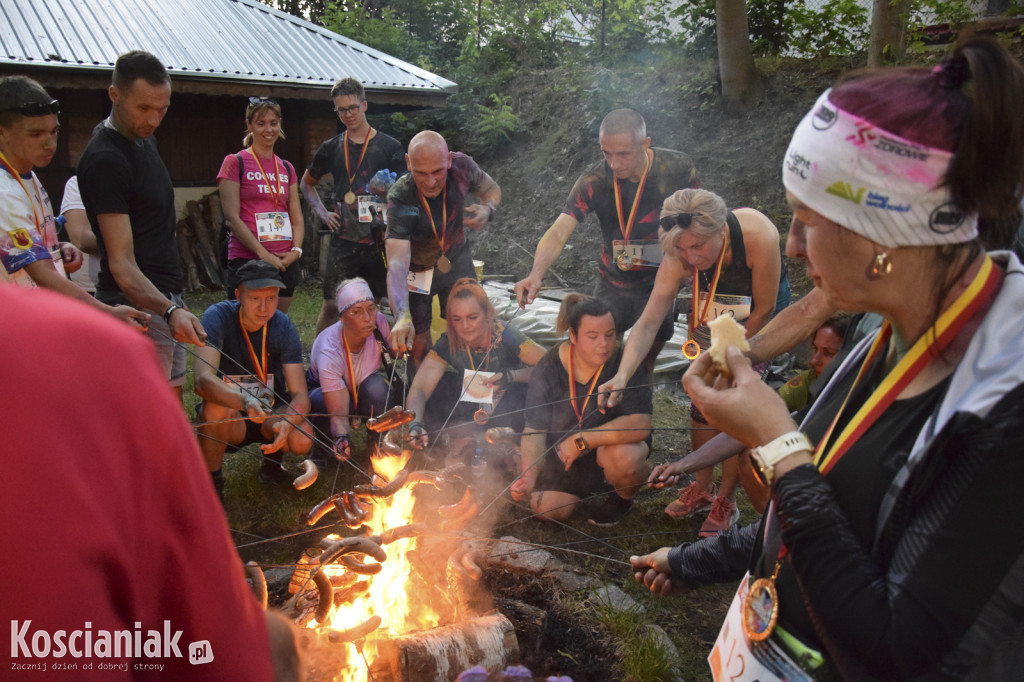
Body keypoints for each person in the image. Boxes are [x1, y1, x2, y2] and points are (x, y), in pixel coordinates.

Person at [631, 37, 1024, 680]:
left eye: (807, 221)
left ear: (884, 237)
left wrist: (777, 443)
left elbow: (896, 652)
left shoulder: (1006, 402)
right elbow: (833, 497)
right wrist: (690, 561)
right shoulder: (893, 332)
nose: (790, 247)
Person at [0, 284, 300, 680]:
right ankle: (214, 481)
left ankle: (270, 467)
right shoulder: (84, 344)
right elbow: (209, 631)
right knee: (276, 644)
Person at [602, 188, 789, 536]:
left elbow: (764, 309)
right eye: (682, 251)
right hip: (712, 312)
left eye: (697, 248)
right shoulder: (681, 250)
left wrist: (727, 358)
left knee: (731, 404)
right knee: (700, 402)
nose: (690, 258)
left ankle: (726, 501)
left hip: (757, 313)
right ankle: (703, 489)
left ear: (719, 232)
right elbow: (649, 320)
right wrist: (622, 374)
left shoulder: (757, 236)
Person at [514, 109, 699, 370]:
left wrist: (689, 267)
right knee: (597, 354)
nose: (614, 163)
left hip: (661, 280)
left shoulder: (677, 169)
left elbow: (699, 220)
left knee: (648, 356)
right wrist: (536, 274)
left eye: (623, 153)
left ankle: (637, 395)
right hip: (613, 280)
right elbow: (558, 231)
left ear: (645, 144)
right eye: (606, 153)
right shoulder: (595, 180)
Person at [77, 50, 206, 398]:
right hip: (135, 307)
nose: (153, 119)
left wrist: (174, 301)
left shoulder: (144, 139)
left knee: (170, 411)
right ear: (114, 95)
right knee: (139, 420)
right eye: (143, 108)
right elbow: (121, 262)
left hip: (164, 297)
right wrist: (169, 308)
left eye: (162, 109)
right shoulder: (106, 159)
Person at [0, 76, 146, 325]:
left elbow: (33, 237)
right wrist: (104, 311)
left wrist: (56, 248)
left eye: (54, 131)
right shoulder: (4, 191)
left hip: (37, 317)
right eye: (35, 134)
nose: (50, 144)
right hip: (16, 325)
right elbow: (42, 273)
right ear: (3, 133)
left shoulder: (27, 173)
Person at [511, 294, 652, 526]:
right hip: (565, 454)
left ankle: (622, 497)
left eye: (609, 335)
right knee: (544, 509)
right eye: (593, 336)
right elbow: (534, 428)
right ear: (573, 336)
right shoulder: (549, 366)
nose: (604, 344)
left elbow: (640, 425)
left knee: (625, 458)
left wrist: (583, 439)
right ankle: (587, 484)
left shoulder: (625, 363)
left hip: (609, 447)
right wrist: (530, 476)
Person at [195, 260, 313, 498]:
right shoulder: (217, 317)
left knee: (303, 436)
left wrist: (287, 422)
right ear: (238, 295)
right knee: (215, 406)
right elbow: (202, 380)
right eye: (255, 298)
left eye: (271, 298)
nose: (263, 308)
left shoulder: (282, 325)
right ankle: (213, 485)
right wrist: (245, 401)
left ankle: (272, 466)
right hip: (232, 415)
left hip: (270, 412)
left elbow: (300, 394)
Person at [386, 131, 501, 365]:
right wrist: (401, 315)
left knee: (474, 325)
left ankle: (472, 387)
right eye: (421, 173)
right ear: (408, 163)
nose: (430, 182)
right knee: (418, 339)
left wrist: (487, 209)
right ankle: (420, 397)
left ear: (448, 159)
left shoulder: (462, 167)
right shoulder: (400, 197)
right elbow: (397, 263)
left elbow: (492, 190)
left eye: (437, 172)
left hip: (456, 259)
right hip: (417, 269)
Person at [301, 77, 405, 334]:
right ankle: (319, 362)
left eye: (353, 107)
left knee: (373, 304)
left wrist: (390, 192)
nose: (348, 114)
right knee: (331, 304)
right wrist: (322, 212)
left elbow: (406, 189)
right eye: (341, 109)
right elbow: (306, 184)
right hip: (343, 241)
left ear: (364, 105)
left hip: (377, 239)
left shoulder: (390, 146)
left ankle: (370, 358)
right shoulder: (332, 148)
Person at [406, 277, 545, 447]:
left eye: (472, 317)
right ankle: (454, 442)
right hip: (476, 399)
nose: (465, 326)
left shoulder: (504, 334)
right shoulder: (450, 340)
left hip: (509, 402)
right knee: (441, 385)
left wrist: (510, 376)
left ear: (487, 314)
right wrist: (415, 423)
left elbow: (550, 366)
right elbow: (419, 388)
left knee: (530, 392)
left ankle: (514, 447)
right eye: (457, 319)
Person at [219, 97, 304, 313]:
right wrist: (264, 255)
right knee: (245, 327)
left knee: (276, 326)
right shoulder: (234, 162)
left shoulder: (287, 167)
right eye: (261, 123)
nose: (269, 129)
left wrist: (296, 251)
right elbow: (232, 218)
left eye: (274, 123)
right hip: (248, 260)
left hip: (285, 261)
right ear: (249, 125)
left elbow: (296, 218)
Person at [308, 277, 400, 460]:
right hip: (327, 392)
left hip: (363, 386)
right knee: (321, 403)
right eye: (357, 312)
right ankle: (325, 445)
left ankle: (377, 442)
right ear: (342, 317)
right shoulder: (329, 349)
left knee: (378, 390)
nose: (367, 318)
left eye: (371, 308)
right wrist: (342, 435)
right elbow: (337, 412)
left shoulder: (379, 324)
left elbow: (395, 352)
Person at [776, 315, 847, 412]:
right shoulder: (809, 380)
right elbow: (769, 407)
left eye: (829, 353)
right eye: (815, 349)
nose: (814, 360)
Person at [59, 175, 102, 294]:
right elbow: (82, 240)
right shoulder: (79, 182)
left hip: (148, 280)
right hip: (91, 288)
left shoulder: (149, 179)